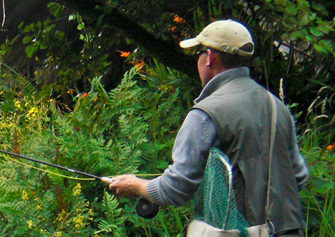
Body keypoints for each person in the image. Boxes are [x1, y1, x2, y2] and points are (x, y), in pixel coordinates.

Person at [103, 19, 309, 236]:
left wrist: (136, 186)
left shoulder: (206, 113)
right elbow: (300, 177)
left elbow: (177, 189)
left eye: (198, 54)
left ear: (209, 58)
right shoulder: (276, 105)